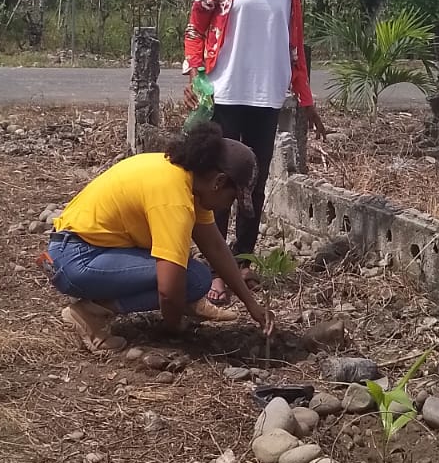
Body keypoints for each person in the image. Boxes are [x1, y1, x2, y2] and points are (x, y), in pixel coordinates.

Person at [184, 0, 325, 307]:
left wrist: (305, 97)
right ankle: (216, 266)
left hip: (267, 93)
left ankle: (243, 259)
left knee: (254, 180)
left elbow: (294, 40)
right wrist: (195, 75)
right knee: (219, 179)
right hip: (225, 90)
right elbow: (196, 27)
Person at [46, 123, 274, 350]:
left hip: (75, 249)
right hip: (76, 259)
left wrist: (251, 305)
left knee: (190, 278)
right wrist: (174, 326)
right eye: (232, 198)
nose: (229, 205)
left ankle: (185, 302)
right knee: (192, 280)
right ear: (219, 182)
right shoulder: (174, 200)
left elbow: (214, 246)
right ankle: (90, 313)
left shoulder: (186, 178)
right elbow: (168, 291)